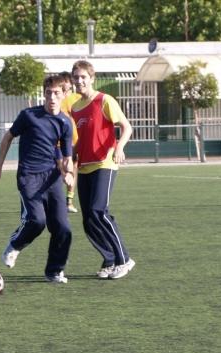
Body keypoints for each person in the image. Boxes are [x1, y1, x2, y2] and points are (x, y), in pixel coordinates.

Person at [0, 74, 74, 283]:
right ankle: (15, 245)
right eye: (48, 93)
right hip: (29, 176)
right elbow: (8, 137)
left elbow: (67, 157)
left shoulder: (65, 123)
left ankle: (54, 271)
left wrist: (67, 173)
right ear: (43, 94)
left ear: (63, 95)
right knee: (37, 221)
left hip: (51, 178)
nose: (52, 97)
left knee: (63, 228)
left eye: (56, 93)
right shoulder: (28, 115)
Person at [70, 60, 136, 279]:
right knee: (89, 220)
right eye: (76, 77)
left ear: (92, 78)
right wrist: (71, 156)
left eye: (83, 77)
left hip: (105, 163)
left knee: (100, 211)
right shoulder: (75, 108)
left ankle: (124, 259)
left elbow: (127, 127)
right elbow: (83, 138)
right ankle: (109, 259)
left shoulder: (104, 100)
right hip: (85, 166)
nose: (79, 81)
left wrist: (119, 148)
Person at [59, 71, 81, 214]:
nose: (66, 84)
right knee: (60, 170)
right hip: (58, 142)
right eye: (64, 81)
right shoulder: (57, 99)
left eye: (68, 81)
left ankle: (69, 201)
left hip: (75, 141)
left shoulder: (77, 98)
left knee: (73, 170)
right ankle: (55, 201)